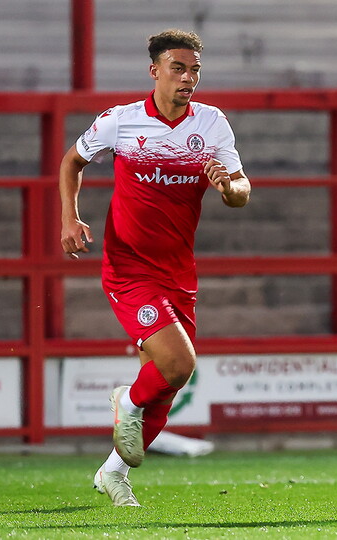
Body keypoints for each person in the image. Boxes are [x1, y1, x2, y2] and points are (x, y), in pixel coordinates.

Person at [58, 29, 251, 506]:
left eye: (195, 70)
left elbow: (241, 189)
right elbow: (72, 162)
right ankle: (128, 401)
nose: (188, 78)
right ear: (155, 71)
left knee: (170, 383)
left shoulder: (211, 124)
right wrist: (69, 215)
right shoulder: (120, 122)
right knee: (178, 362)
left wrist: (228, 187)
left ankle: (113, 472)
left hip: (178, 271)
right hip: (128, 267)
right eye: (178, 68)